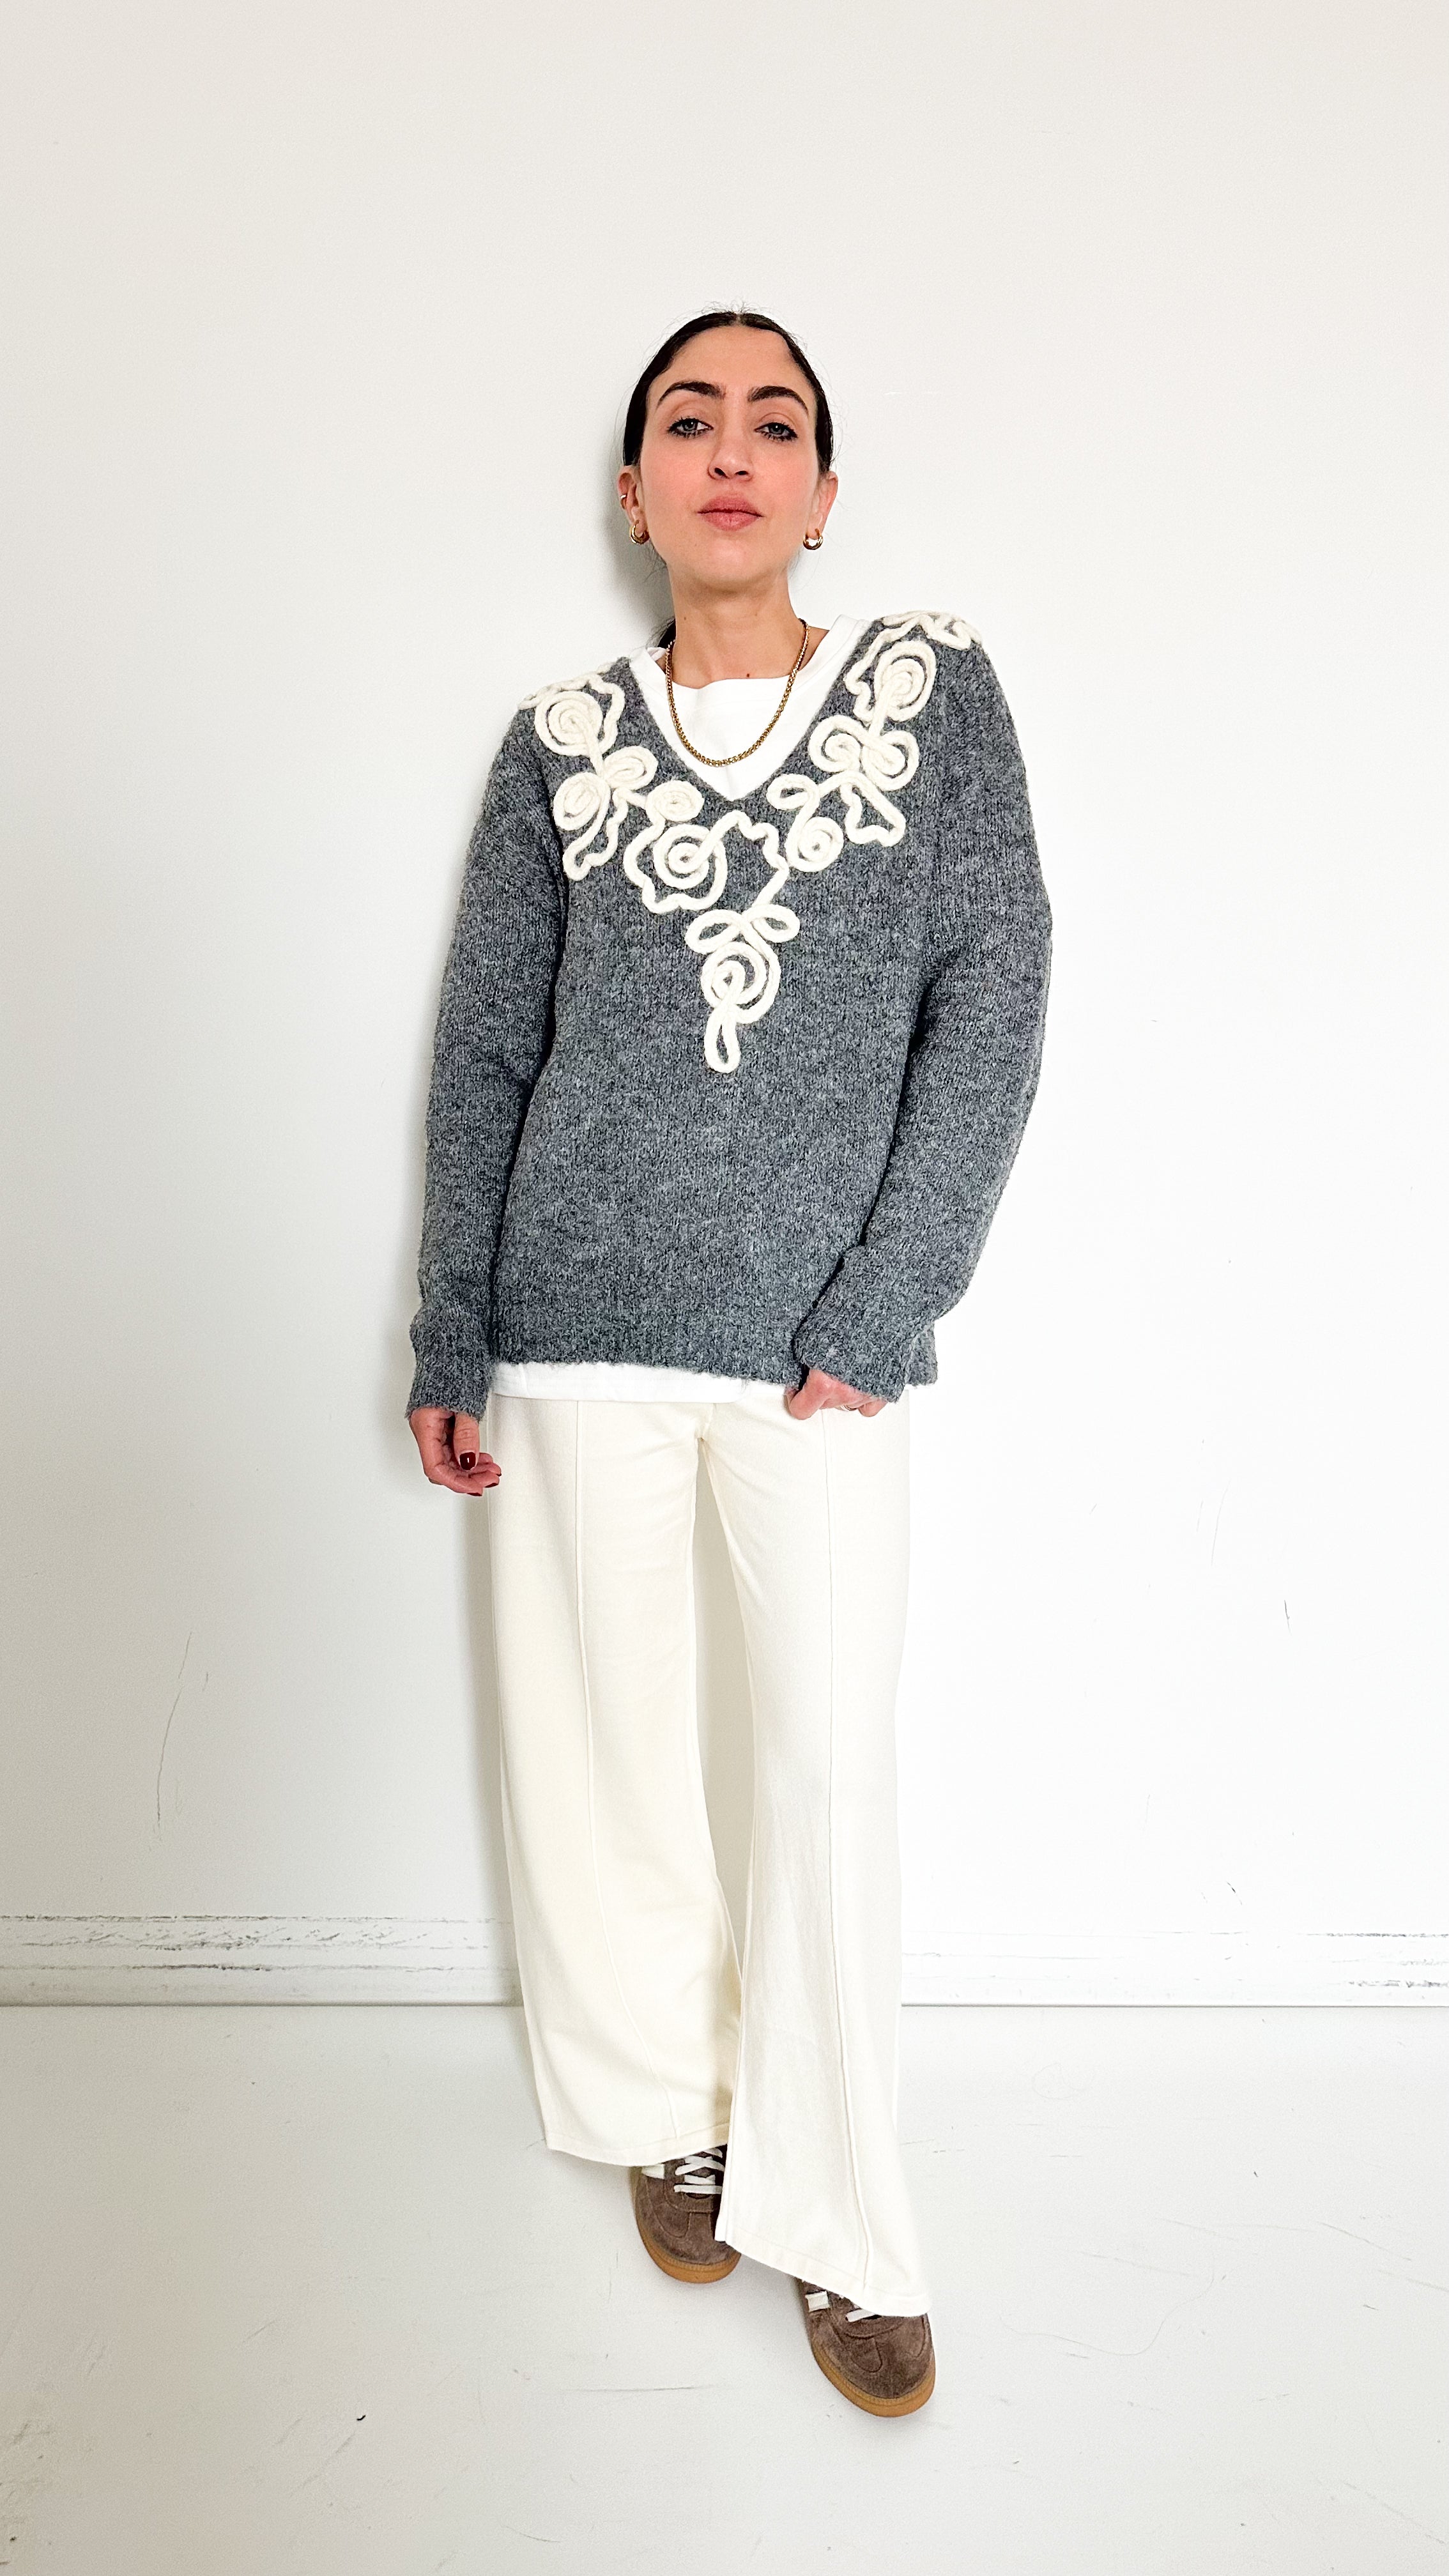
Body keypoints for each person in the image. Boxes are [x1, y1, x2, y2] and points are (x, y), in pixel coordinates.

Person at [406, 307, 1052, 2418]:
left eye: (774, 422)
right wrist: (453, 1320)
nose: (730, 449)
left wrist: (887, 1298)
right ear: (633, 491)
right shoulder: (556, 744)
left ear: (824, 493)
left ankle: (840, 2215)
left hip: (814, 1350)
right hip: (572, 1322)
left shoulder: (930, 690)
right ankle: (671, 2110)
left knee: (823, 1769)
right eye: (687, 420)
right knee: (603, 1751)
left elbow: (992, 993)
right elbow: (489, 1050)